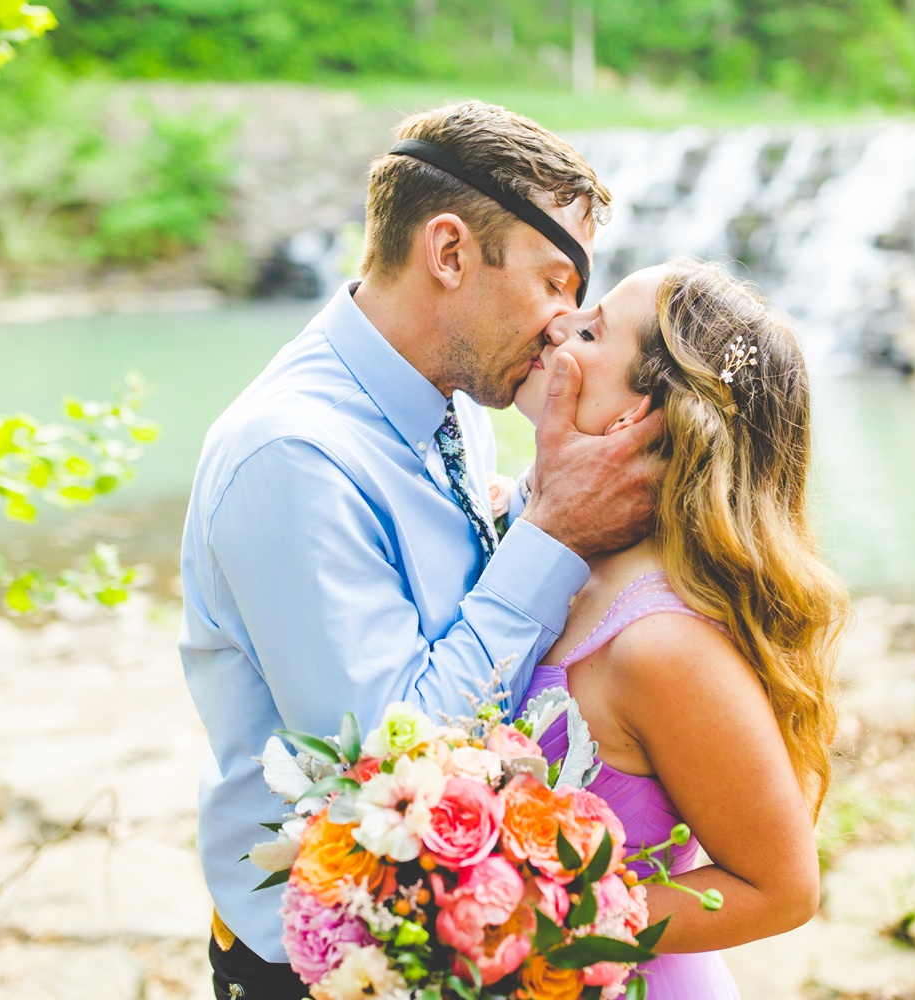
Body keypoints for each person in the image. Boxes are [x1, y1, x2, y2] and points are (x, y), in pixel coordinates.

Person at [178, 102, 663, 1000]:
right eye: (555, 282)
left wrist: (532, 511)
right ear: (448, 253)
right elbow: (387, 765)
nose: (565, 325)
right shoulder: (294, 456)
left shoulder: (454, 405)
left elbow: (448, 605)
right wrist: (552, 535)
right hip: (321, 967)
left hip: (449, 935)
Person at [511, 259, 851, 999]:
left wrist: (539, 922)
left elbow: (782, 887)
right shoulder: (559, 555)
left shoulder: (661, 645)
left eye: (593, 330)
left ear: (636, 415)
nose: (557, 323)